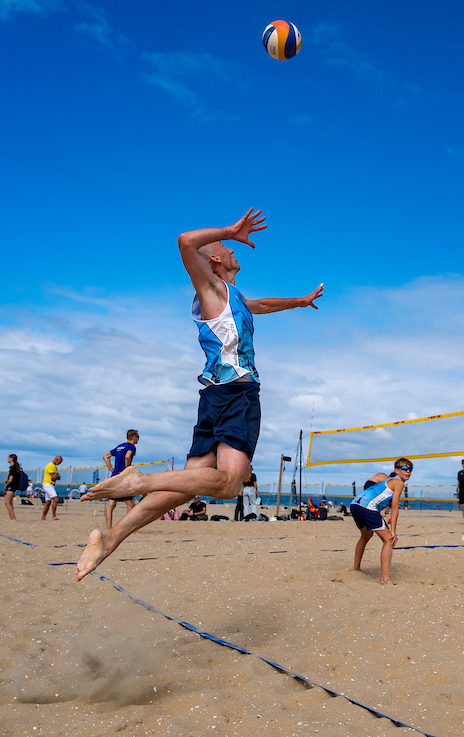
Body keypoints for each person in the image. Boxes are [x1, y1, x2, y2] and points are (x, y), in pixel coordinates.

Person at [76, 209, 324, 580]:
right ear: (214, 259)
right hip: (235, 394)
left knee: (184, 488)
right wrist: (230, 229)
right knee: (228, 484)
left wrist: (299, 302)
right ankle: (136, 481)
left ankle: (109, 540)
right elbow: (184, 240)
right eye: (226, 247)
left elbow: (263, 305)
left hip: (214, 397)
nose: (233, 250)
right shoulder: (209, 288)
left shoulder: (231, 295)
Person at [351, 458, 412, 584]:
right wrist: (393, 531)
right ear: (397, 470)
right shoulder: (398, 482)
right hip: (367, 506)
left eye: (410, 469)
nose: (408, 472)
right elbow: (395, 507)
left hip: (355, 504)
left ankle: (356, 569)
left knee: (366, 535)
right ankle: (386, 579)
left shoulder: (387, 480)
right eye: (405, 469)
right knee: (389, 540)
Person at [103, 430, 139, 531]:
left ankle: (109, 529)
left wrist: (112, 470)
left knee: (111, 504)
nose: (138, 439)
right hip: (123, 478)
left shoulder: (119, 446)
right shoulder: (131, 447)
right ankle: (129, 529)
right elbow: (127, 456)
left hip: (114, 477)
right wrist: (127, 470)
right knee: (130, 504)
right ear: (134, 437)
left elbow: (105, 456)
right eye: (138, 437)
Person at [41, 455, 63, 521]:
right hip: (48, 484)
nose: (60, 463)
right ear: (56, 459)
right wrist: (56, 476)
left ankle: (43, 517)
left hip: (51, 485)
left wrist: (56, 476)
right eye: (59, 461)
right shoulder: (50, 465)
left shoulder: (55, 468)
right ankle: (54, 516)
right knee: (56, 499)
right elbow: (54, 477)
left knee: (48, 502)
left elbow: (58, 477)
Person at [3, 454, 23, 521]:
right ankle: (10, 517)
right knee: (10, 502)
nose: (7, 459)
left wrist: (6, 485)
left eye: (8, 458)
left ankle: (13, 518)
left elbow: (10, 479)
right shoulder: (15, 467)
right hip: (14, 485)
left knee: (6, 502)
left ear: (11, 458)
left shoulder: (13, 467)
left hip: (11, 486)